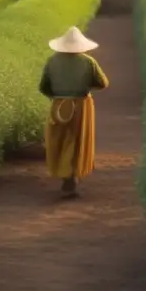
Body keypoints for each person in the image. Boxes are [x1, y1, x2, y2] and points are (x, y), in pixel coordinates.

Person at [38, 26, 110, 198]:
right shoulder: (88, 62)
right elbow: (103, 83)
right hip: (81, 106)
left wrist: (57, 97)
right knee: (76, 140)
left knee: (60, 140)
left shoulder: (52, 61)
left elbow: (43, 87)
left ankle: (65, 174)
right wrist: (84, 84)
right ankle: (71, 177)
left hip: (58, 105)